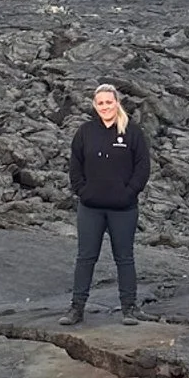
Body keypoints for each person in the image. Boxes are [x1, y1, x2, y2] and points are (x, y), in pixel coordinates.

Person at [66, 83, 150, 324]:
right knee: (85, 257)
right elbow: (75, 165)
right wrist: (83, 191)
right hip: (91, 207)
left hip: (123, 208)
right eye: (100, 103)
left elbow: (142, 166)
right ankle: (76, 309)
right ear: (95, 105)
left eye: (109, 102)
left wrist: (129, 192)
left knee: (124, 257)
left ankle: (129, 308)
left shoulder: (132, 132)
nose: (105, 106)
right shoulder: (85, 132)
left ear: (116, 103)